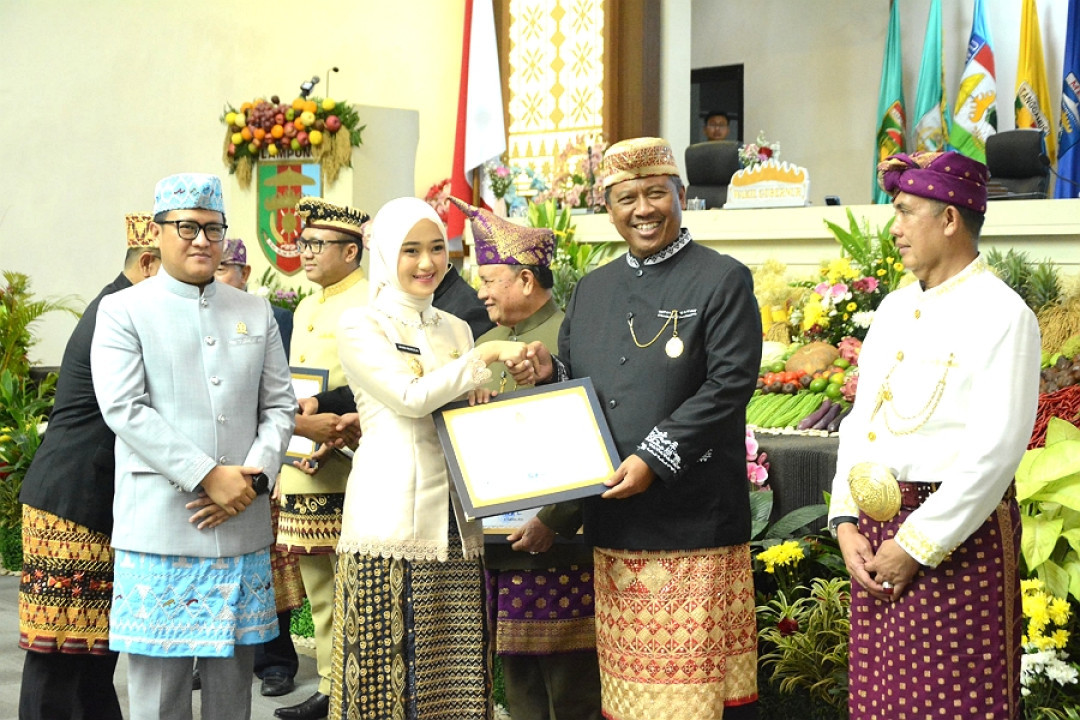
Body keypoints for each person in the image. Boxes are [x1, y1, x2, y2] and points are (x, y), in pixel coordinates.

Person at [517, 137, 762, 719]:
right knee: (632, 694)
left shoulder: (722, 279)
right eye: (627, 197)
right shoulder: (593, 289)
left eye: (656, 193)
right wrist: (550, 372)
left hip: (693, 522)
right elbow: (580, 386)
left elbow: (729, 386)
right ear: (609, 206)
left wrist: (655, 457)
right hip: (616, 524)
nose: (643, 209)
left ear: (681, 194)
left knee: (697, 697)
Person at [827, 151, 1040, 720]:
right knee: (883, 698)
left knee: (959, 701)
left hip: (955, 537)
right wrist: (846, 520)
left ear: (949, 219)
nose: (893, 230)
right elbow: (859, 424)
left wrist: (916, 546)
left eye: (905, 212)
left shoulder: (1004, 314)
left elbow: (996, 454)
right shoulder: (894, 307)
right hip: (875, 535)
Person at [90, 173, 296, 720]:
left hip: (241, 521)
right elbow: (124, 408)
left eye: (213, 228)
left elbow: (279, 406)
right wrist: (209, 475)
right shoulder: (123, 310)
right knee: (158, 696)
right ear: (157, 234)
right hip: (162, 523)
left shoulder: (254, 311)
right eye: (186, 227)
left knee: (232, 693)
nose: (202, 240)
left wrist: (253, 477)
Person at [328, 196, 529, 720]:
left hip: (457, 524)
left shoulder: (455, 328)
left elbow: (459, 408)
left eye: (437, 248)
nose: (426, 263)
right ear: (387, 253)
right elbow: (409, 398)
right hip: (388, 521)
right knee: (381, 677)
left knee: (454, 675)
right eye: (411, 250)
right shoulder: (361, 324)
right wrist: (483, 358)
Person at [451, 196, 602, 720]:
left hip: (559, 544)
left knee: (572, 687)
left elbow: (596, 436)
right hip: (497, 545)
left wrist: (554, 521)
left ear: (525, 281)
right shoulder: (485, 343)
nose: (480, 290)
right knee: (518, 683)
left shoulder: (574, 336)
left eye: (490, 278)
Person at [17, 213, 160, 720]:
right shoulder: (116, 312)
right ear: (147, 263)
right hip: (72, 505)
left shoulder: (121, 306)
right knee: (60, 658)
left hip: (87, 502)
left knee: (92, 657)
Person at [273, 197, 367, 720]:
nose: (304, 252)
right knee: (319, 589)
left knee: (355, 584)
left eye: (316, 244)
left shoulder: (369, 302)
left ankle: (357, 688)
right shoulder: (307, 305)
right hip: (303, 465)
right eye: (303, 243)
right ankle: (332, 688)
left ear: (350, 251)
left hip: (349, 462)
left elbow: (369, 385)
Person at [214, 237, 303, 698]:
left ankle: (275, 661)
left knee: (271, 570)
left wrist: (269, 461)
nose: (217, 273)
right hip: (206, 471)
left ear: (245, 273)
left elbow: (282, 397)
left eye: (226, 265)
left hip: (261, 464)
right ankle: (211, 654)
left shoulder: (275, 318)